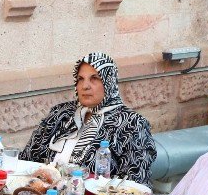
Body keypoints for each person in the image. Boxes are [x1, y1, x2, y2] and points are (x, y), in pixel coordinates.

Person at [19, 53, 155, 185]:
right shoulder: (60, 113)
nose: (85, 86)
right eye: (80, 79)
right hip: (45, 193)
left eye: (94, 78)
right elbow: (27, 157)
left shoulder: (132, 123)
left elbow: (135, 183)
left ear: (109, 82)